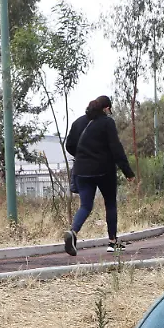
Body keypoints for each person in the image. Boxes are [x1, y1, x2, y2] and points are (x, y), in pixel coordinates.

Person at [63, 95, 135, 255]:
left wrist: (83, 156)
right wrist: (127, 172)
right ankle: (112, 242)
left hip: (81, 170)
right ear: (106, 108)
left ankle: (73, 232)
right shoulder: (107, 122)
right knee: (110, 203)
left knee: (85, 206)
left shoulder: (78, 122)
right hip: (104, 170)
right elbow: (116, 148)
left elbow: (69, 145)